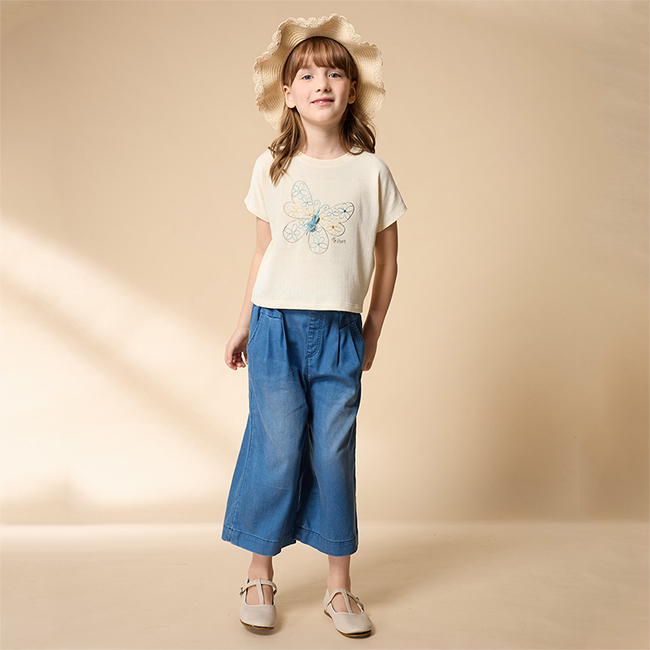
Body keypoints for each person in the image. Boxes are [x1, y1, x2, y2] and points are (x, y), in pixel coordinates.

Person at [221, 14, 407, 638]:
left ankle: (339, 586)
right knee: (275, 444)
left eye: (334, 73)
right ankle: (259, 573)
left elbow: (388, 260)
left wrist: (371, 330)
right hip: (274, 325)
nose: (321, 83)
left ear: (352, 91)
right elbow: (262, 251)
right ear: (288, 94)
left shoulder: (371, 172)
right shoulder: (271, 168)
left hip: (338, 333)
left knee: (333, 452)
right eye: (306, 75)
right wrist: (243, 322)